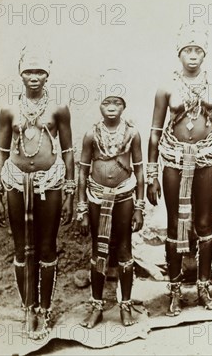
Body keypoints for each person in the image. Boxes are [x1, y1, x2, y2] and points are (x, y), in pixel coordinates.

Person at [147, 27, 212, 314]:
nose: (193, 56)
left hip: (208, 158)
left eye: (198, 50)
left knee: (205, 224)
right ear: (179, 54)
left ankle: (203, 287)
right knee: (175, 223)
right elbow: (154, 133)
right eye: (187, 50)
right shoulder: (166, 88)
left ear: (204, 54)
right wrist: (151, 176)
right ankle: (174, 290)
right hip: (173, 159)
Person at [0, 46, 75, 338]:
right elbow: (2, 153)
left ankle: (46, 308)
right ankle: (29, 308)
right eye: (29, 71)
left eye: (40, 71)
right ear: (21, 73)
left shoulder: (58, 109)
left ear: (47, 75)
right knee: (22, 249)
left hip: (50, 183)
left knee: (47, 247)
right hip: (15, 182)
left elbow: (68, 152)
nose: (34, 77)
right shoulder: (9, 110)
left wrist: (69, 192)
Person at [76, 69, 145, 328]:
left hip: (125, 195)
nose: (112, 108)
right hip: (96, 196)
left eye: (117, 102)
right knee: (99, 250)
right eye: (107, 102)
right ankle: (97, 306)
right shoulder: (91, 135)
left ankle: (125, 305)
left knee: (125, 249)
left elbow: (139, 169)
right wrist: (81, 208)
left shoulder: (132, 133)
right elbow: (82, 171)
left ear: (124, 105)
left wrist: (139, 208)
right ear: (100, 105)